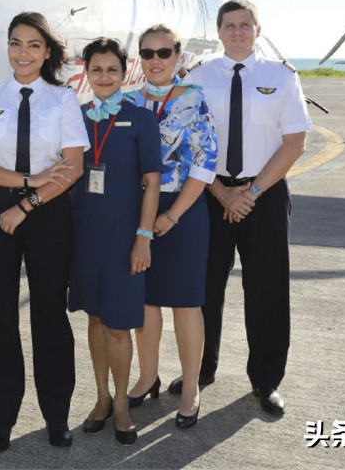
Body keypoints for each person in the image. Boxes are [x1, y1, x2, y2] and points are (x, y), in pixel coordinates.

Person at [0, 11, 89, 453]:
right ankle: (4, 415)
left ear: (47, 51)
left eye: (34, 45)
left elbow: (72, 167)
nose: (23, 53)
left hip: (49, 211)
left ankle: (56, 414)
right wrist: (29, 184)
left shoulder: (62, 99)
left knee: (49, 312)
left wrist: (29, 204)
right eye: (16, 43)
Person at [185, 0, 312, 417]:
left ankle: (266, 379)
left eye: (245, 25)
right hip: (210, 192)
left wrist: (250, 193)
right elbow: (188, 143)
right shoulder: (198, 79)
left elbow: (294, 143)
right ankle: (199, 371)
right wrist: (223, 193)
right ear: (218, 32)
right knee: (203, 290)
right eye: (229, 25)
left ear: (258, 30)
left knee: (267, 290)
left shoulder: (282, 77)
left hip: (266, 193)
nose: (237, 31)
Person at [68, 38, 162, 446]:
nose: (103, 77)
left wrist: (143, 238)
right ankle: (102, 398)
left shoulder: (141, 119)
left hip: (125, 238)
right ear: (85, 73)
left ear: (124, 74)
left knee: (119, 326)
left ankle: (122, 403)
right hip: (84, 238)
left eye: (111, 70)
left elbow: (153, 183)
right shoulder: (76, 117)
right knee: (93, 318)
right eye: (96, 70)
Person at [127, 24, 218, 429]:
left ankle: (191, 387)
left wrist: (173, 214)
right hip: (137, 210)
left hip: (182, 209)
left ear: (178, 56)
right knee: (144, 301)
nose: (156, 61)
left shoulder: (193, 99)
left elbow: (204, 163)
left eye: (164, 53)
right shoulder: (127, 102)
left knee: (185, 302)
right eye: (148, 54)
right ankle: (147, 377)